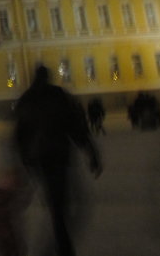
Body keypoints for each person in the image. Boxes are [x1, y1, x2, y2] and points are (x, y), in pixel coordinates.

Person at [14, 65, 102, 256]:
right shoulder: (57, 96)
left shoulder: (26, 99)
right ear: (47, 77)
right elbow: (75, 126)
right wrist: (91, 152)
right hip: (58, 157)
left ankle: (60, 246)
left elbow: (19, 136)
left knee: (58, 205)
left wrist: (24, 162)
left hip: (39, 160)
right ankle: (62, 248)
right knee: (63, 206)